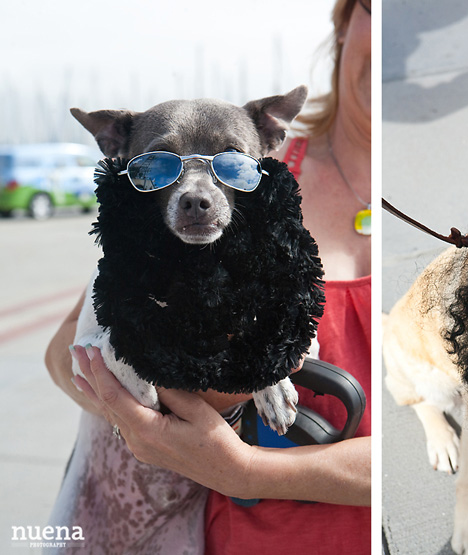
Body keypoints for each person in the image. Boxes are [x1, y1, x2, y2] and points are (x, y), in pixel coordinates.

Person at [46, 0, 372, 552]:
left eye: (230, 162)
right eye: (159, 164)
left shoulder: (265, 213)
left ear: (270, 137)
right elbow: (65, 359)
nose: (196, 195)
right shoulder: (141, 246)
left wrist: (244, 467)